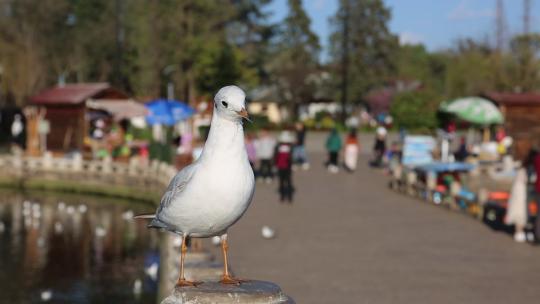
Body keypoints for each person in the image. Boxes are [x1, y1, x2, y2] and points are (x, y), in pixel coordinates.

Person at [505, 168, 528, 242]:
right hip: (521, 191)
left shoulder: (521, 169)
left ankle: (518, 231)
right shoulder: (523, 169)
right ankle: (519, 231)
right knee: (520, 211)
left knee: (518, 210)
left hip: (518, 191)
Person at [274, 131, 295, 203]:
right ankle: (282, 196)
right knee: (281, 182)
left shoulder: (290, 147)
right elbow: (275, 156)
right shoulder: (277, 147)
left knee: (288, 182)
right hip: (280, 167)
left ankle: (289, 197)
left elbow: (291, 157)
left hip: (287, 167)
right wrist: (275, 164)